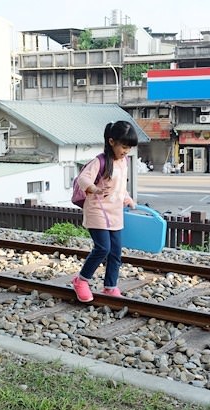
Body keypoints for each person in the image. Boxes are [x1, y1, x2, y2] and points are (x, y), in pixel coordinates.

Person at [72, 121, 137, 302]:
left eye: (129, 148)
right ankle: (81, 280)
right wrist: (93, 188)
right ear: (111, 141)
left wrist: (127, 198)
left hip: (115, 212)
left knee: (115, 252)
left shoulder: (123, 162)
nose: (126, 151)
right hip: (97, 211)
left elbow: (120, 186)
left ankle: (110, 286)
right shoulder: (99, 161)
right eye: (124, 146)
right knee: (103, 248)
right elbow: (82, 179)